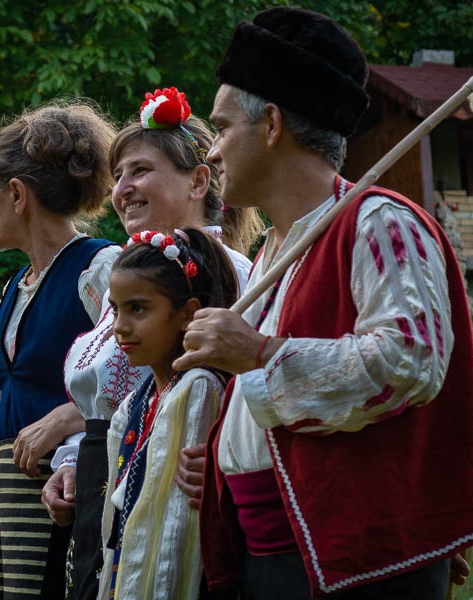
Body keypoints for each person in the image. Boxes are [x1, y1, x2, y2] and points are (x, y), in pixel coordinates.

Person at [173, 7, 473, 598]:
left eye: (222, 127)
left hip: (352, 560)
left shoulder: (379, 223)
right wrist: (221, 464)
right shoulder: (270, 251)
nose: (210, 152)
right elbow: (275, 413)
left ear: (273, 124)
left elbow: (409, 362)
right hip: (272, 553)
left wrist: (258, 351)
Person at [39, 86, 260, 600]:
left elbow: (235, 387)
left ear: (199, 181)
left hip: (174, 481)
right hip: (108, 470)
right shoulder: (120, 280)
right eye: (118, 176)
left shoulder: (236, 277)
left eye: (139, 171)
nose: (122, 189)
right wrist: (72, 460)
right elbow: (107, 395)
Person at [0, 101, 117, 599]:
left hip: (57, 486)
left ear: (17, 195)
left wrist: (68, 416)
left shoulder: (100, 268)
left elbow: (142, 376)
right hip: (4, 485)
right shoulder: (17, 283)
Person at [97, 228, 238, 599]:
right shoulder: (135, 404)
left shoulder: (199, 389)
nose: (120, 326)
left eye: (138, 308)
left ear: (186, 314)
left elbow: (179, 528)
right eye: (116, 309)